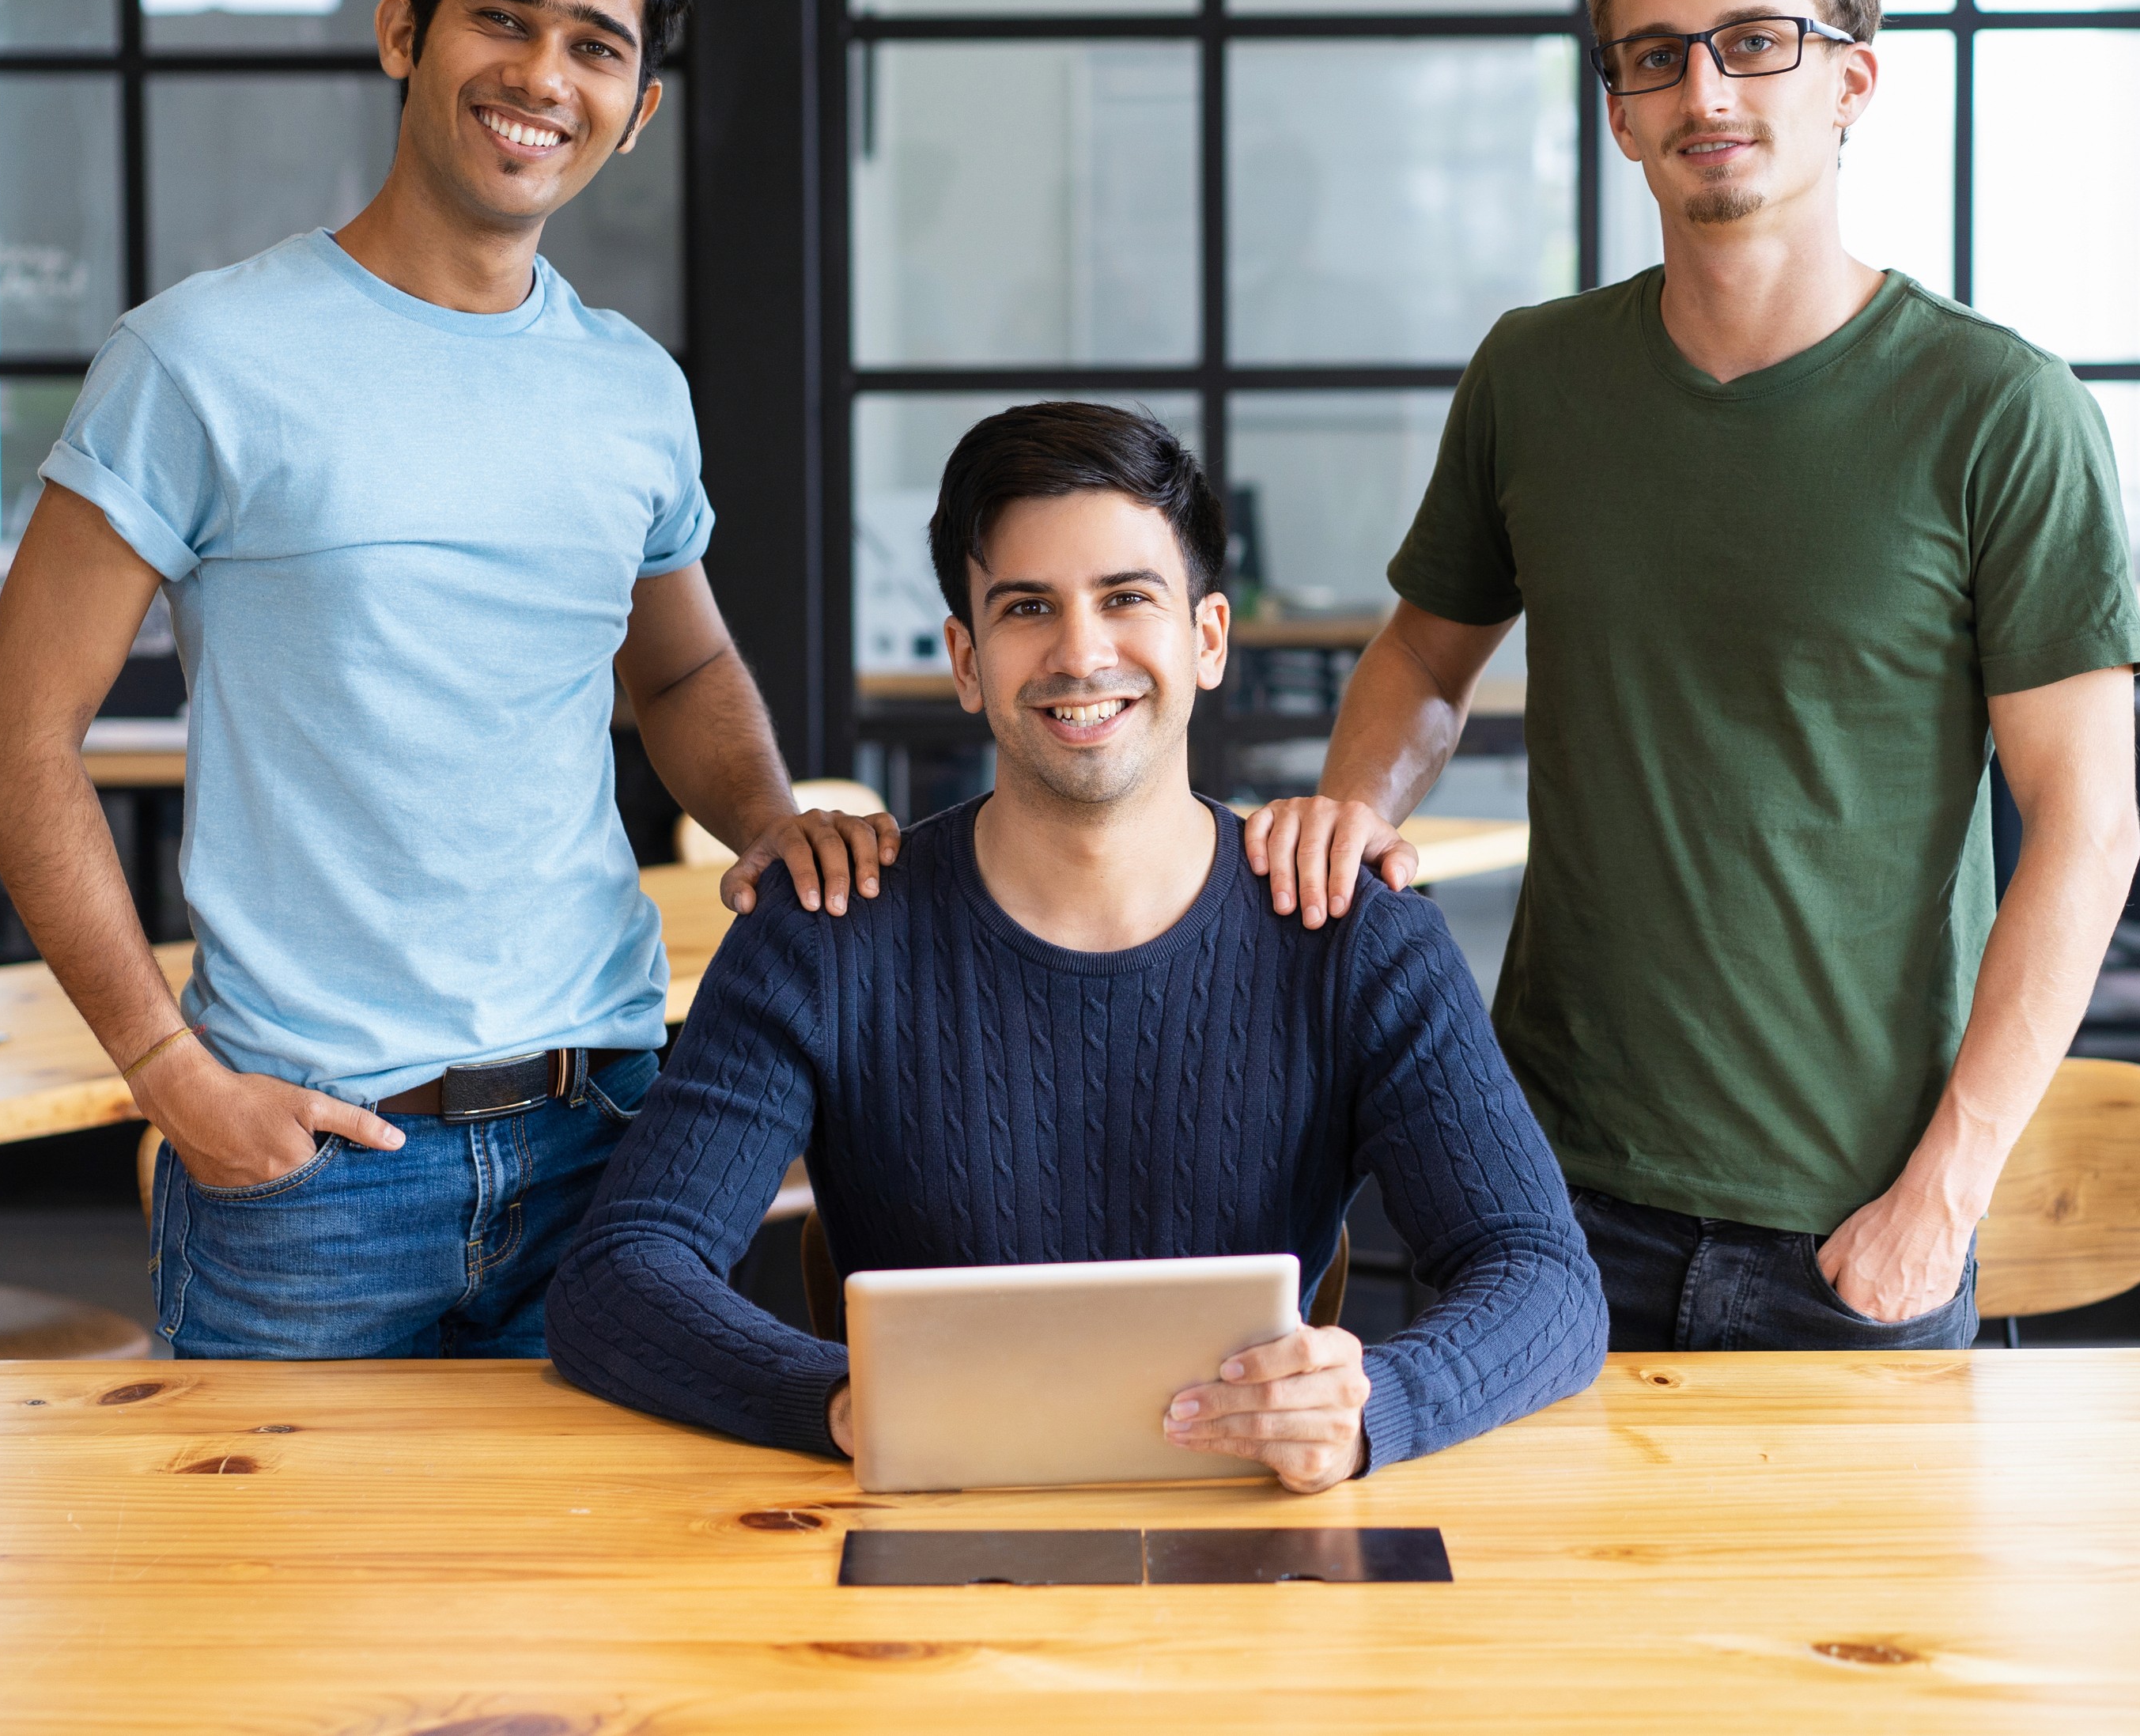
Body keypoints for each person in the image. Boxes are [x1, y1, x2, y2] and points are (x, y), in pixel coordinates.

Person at [0, 0, 893, 1360]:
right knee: (293, 1601)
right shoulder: (198, 359)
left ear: (636, 110)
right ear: (407, 33)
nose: (542, 73)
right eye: (501, 20)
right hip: (315, 1167)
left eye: (596, 46)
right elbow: (16, 742)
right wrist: (163, 1067)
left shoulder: (631, 390)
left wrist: (774, 821)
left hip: (609, 1134)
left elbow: (680, 673)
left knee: (600, 1594)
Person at [1242, 0, 2140, 1352]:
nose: (1706, 95)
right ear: (1615, 109)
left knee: (1863, 1603)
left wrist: (1947, 1192)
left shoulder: (2000, 409)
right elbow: (1423, 653)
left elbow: (2088, 825)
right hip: (1545, 1202)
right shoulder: (1537, 376)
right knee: (1523, 1597)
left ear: (1852, 82)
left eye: (1755, 45)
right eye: (1656, 59)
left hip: (1857, 1222)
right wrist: (1356, 815)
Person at [546, 403, 1605, 1491]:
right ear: (967, 659)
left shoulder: (1354, 931)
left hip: (1258, 1531)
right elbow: (620, 1276)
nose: (1081, 652)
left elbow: (1545, 1283)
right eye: (1027, 608)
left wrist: (1378, 1404)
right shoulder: (827, 933)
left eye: (1127, 598)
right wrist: (835, 1401)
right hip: (911, 1549)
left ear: (1208, 639)